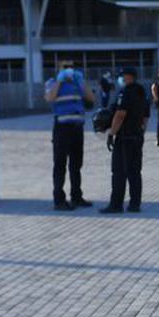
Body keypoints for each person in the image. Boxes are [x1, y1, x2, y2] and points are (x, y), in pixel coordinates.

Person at [44, 60, 96, 211]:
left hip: (77, 128)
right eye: (65, 67)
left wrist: (81, 82)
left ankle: (76, 197)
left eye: (71, 67)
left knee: (76, 164)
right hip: (61, 128)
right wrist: (60, 81)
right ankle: (59, 200)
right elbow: (49, 98)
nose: (69, 70)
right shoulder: (53, 82)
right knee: (60, 164)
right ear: (59, 69)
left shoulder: (77, 83)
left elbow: (91, 99)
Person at [101, 67, 149, 213]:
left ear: (128, 77)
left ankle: (115, 205)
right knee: (135, 172)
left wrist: (111, 134)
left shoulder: (126, 92)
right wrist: (141, 132)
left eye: (122, 76)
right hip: (137, 136)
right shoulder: (142, 92)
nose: (120, 79)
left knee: (119, 172)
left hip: (125, 137)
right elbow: (146, 117)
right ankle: (135, 204)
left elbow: (120, 114)